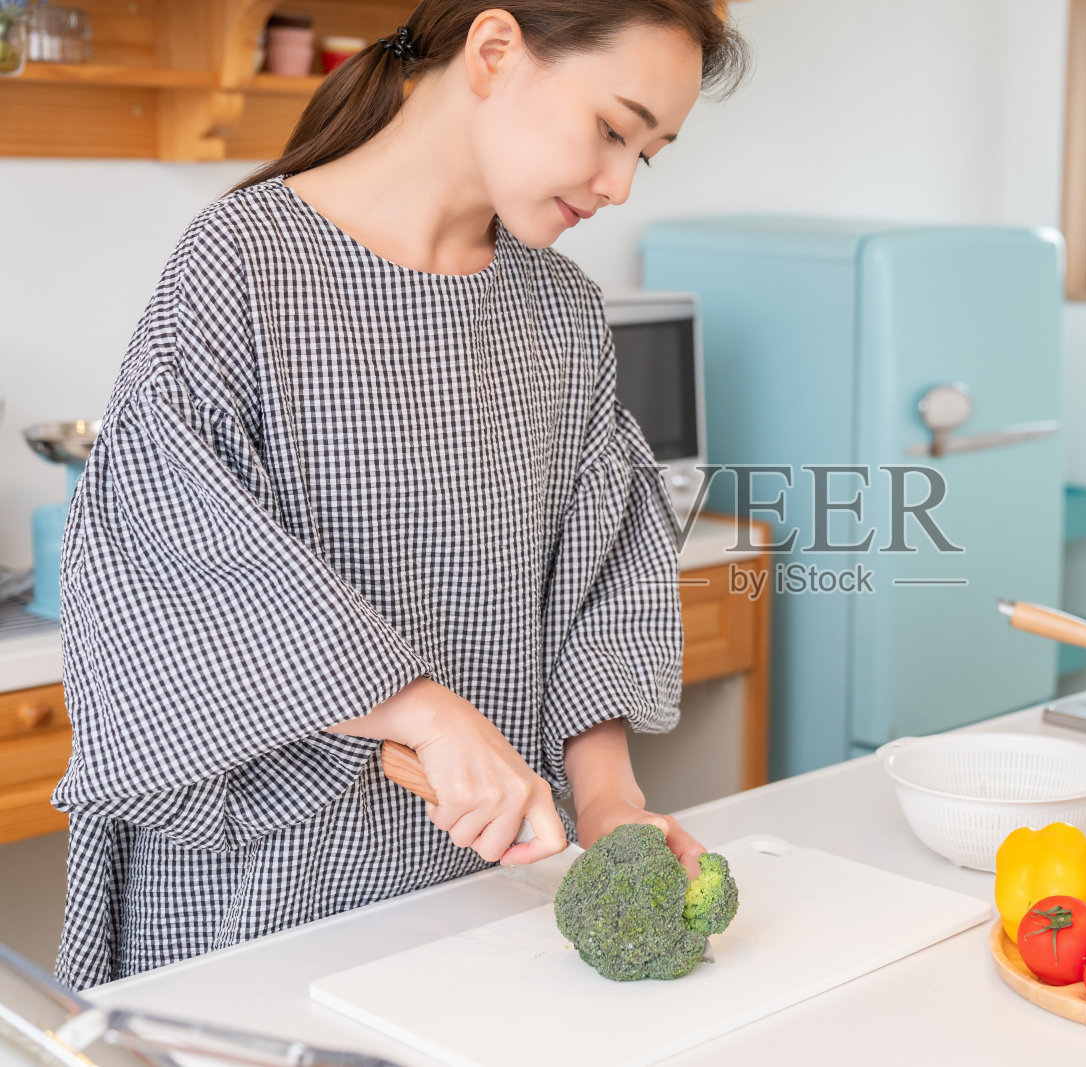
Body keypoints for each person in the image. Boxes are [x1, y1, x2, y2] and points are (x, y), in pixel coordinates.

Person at [48, 0, 751, 990]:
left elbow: (600, 581)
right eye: (610, 129)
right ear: (495, 51)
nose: (619, 183)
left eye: (648, 154)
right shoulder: (243, 265)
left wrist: (608, 802)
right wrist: (427, 715)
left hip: (478, 888)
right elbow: (168, 570)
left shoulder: (560, 312)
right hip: (257, 898)